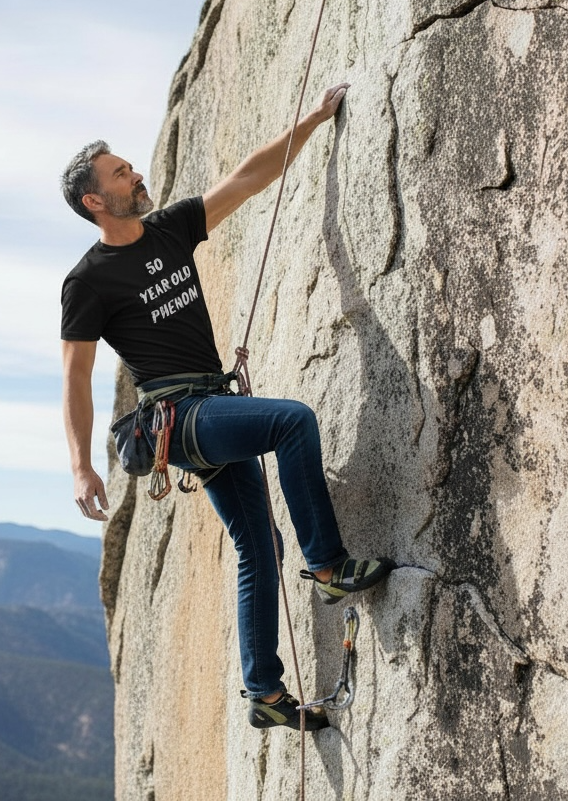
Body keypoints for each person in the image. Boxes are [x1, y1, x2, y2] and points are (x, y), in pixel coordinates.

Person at [59, 83, 392, 732]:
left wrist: (315, 120)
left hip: (207, 406)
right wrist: (79, 466)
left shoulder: (169, 230)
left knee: (258, 543)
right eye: (121, 172)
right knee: (291, 420)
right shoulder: (89, 279)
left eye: (130, 165)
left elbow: (244, 181)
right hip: (175, 419)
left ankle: (264, 693)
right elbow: (75, 376)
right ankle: (327, 564)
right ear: (95, 201)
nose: (136, 173)